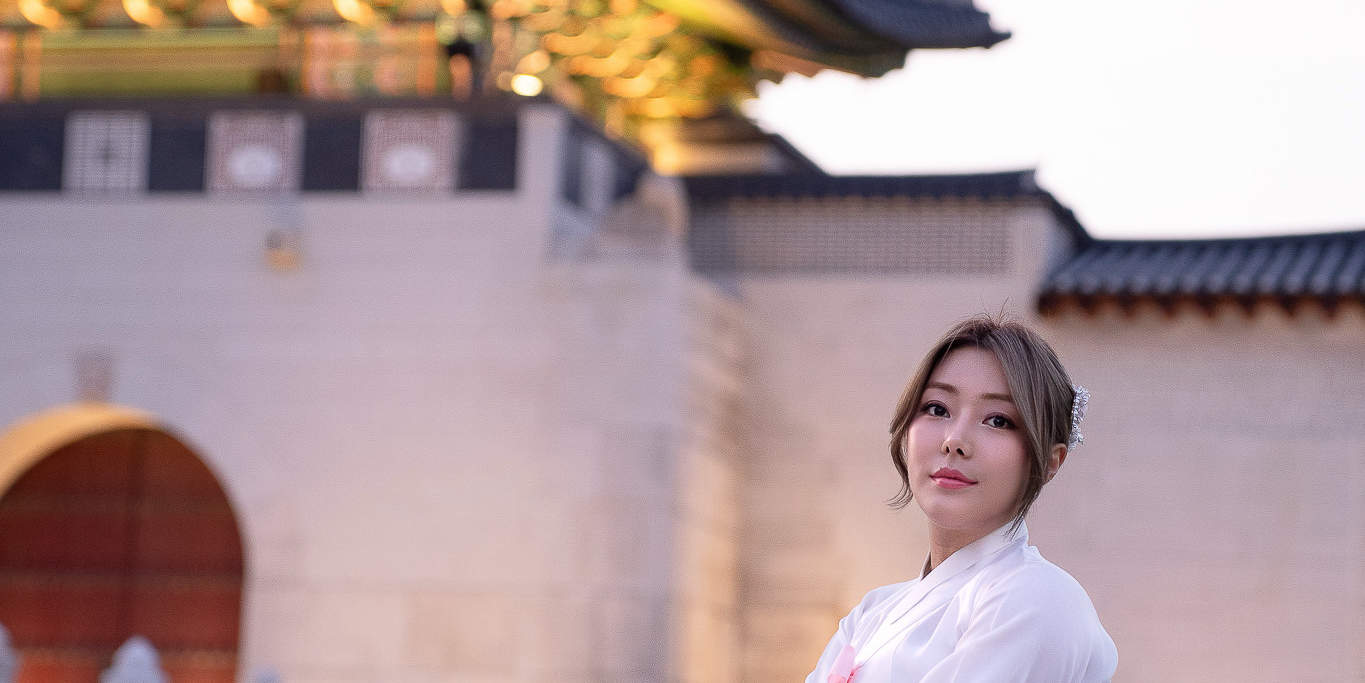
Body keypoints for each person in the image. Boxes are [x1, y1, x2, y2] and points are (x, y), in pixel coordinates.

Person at [806, 315, 1117, 683]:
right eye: (937, 409)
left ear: (1050, 461)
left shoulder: (1039, 598)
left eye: (998, 420)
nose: (954, 440)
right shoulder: (872, 614)